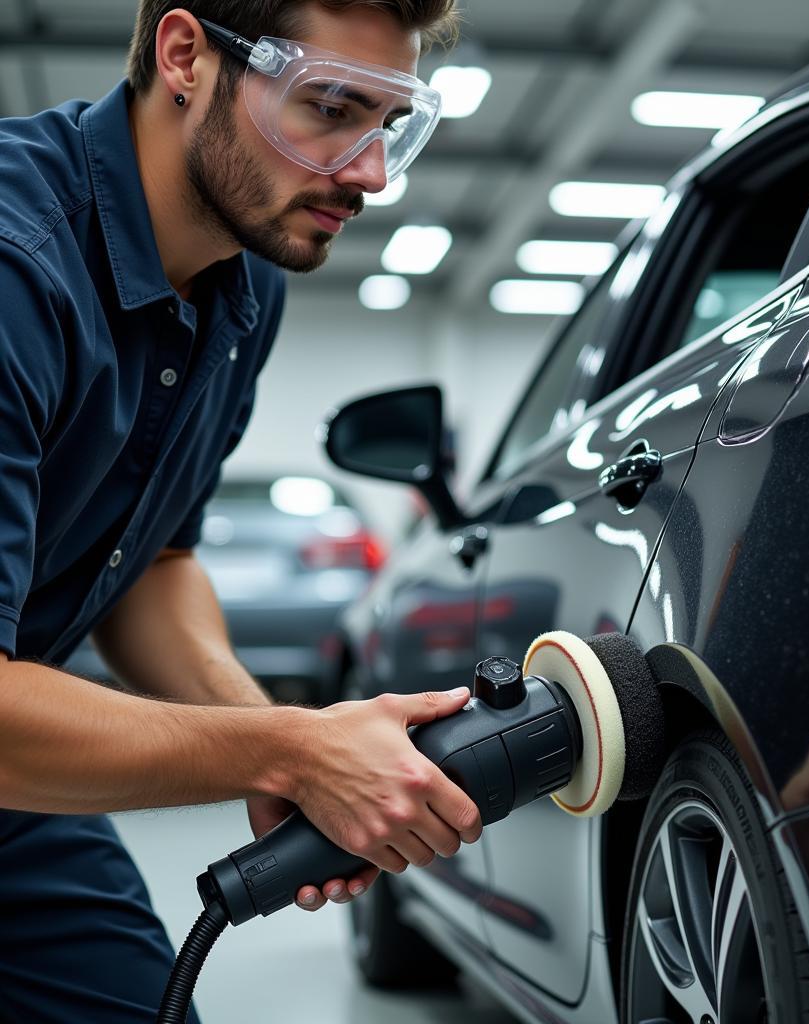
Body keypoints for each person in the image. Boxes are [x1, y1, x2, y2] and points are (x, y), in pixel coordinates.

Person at [0, 2, 481, 1020]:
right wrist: (291, 751)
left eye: (388, 126)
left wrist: (272, 731)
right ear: (184, 57)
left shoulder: (243, 288)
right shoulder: (16, 268)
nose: (369, 173)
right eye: (330, 107)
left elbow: (150, 566)